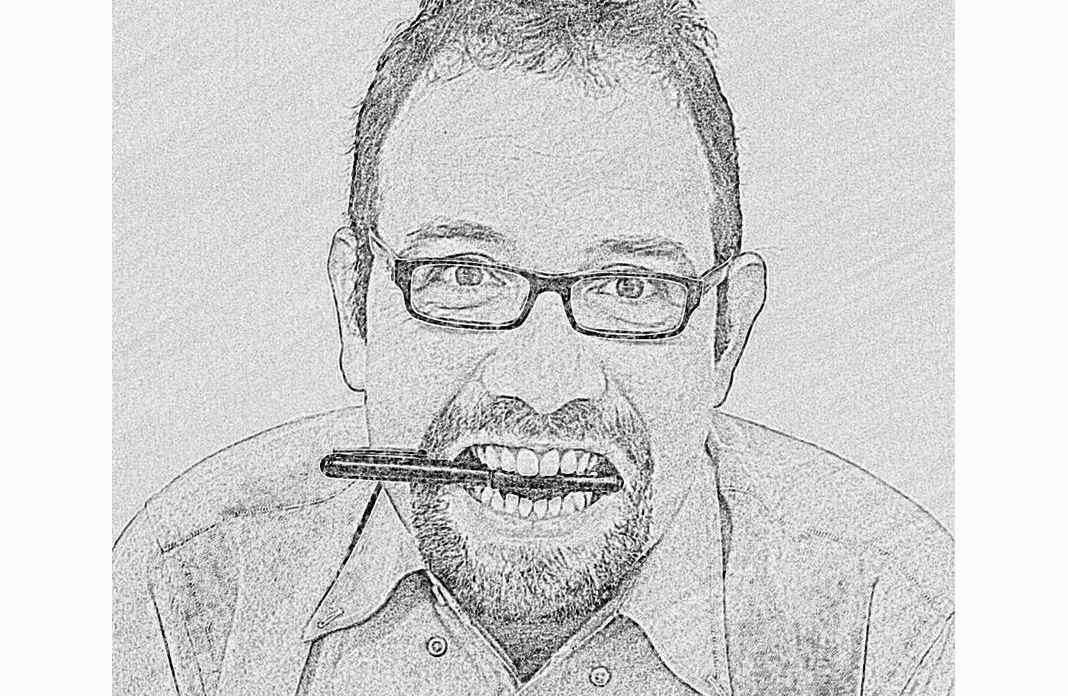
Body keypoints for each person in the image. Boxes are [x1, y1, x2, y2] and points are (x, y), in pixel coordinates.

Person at [113, 1, 953, 694]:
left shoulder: (904, 627)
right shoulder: (185, 593)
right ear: (355, 307)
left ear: (726, 332)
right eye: (463, 275)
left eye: (630, 286)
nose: (544, 382)